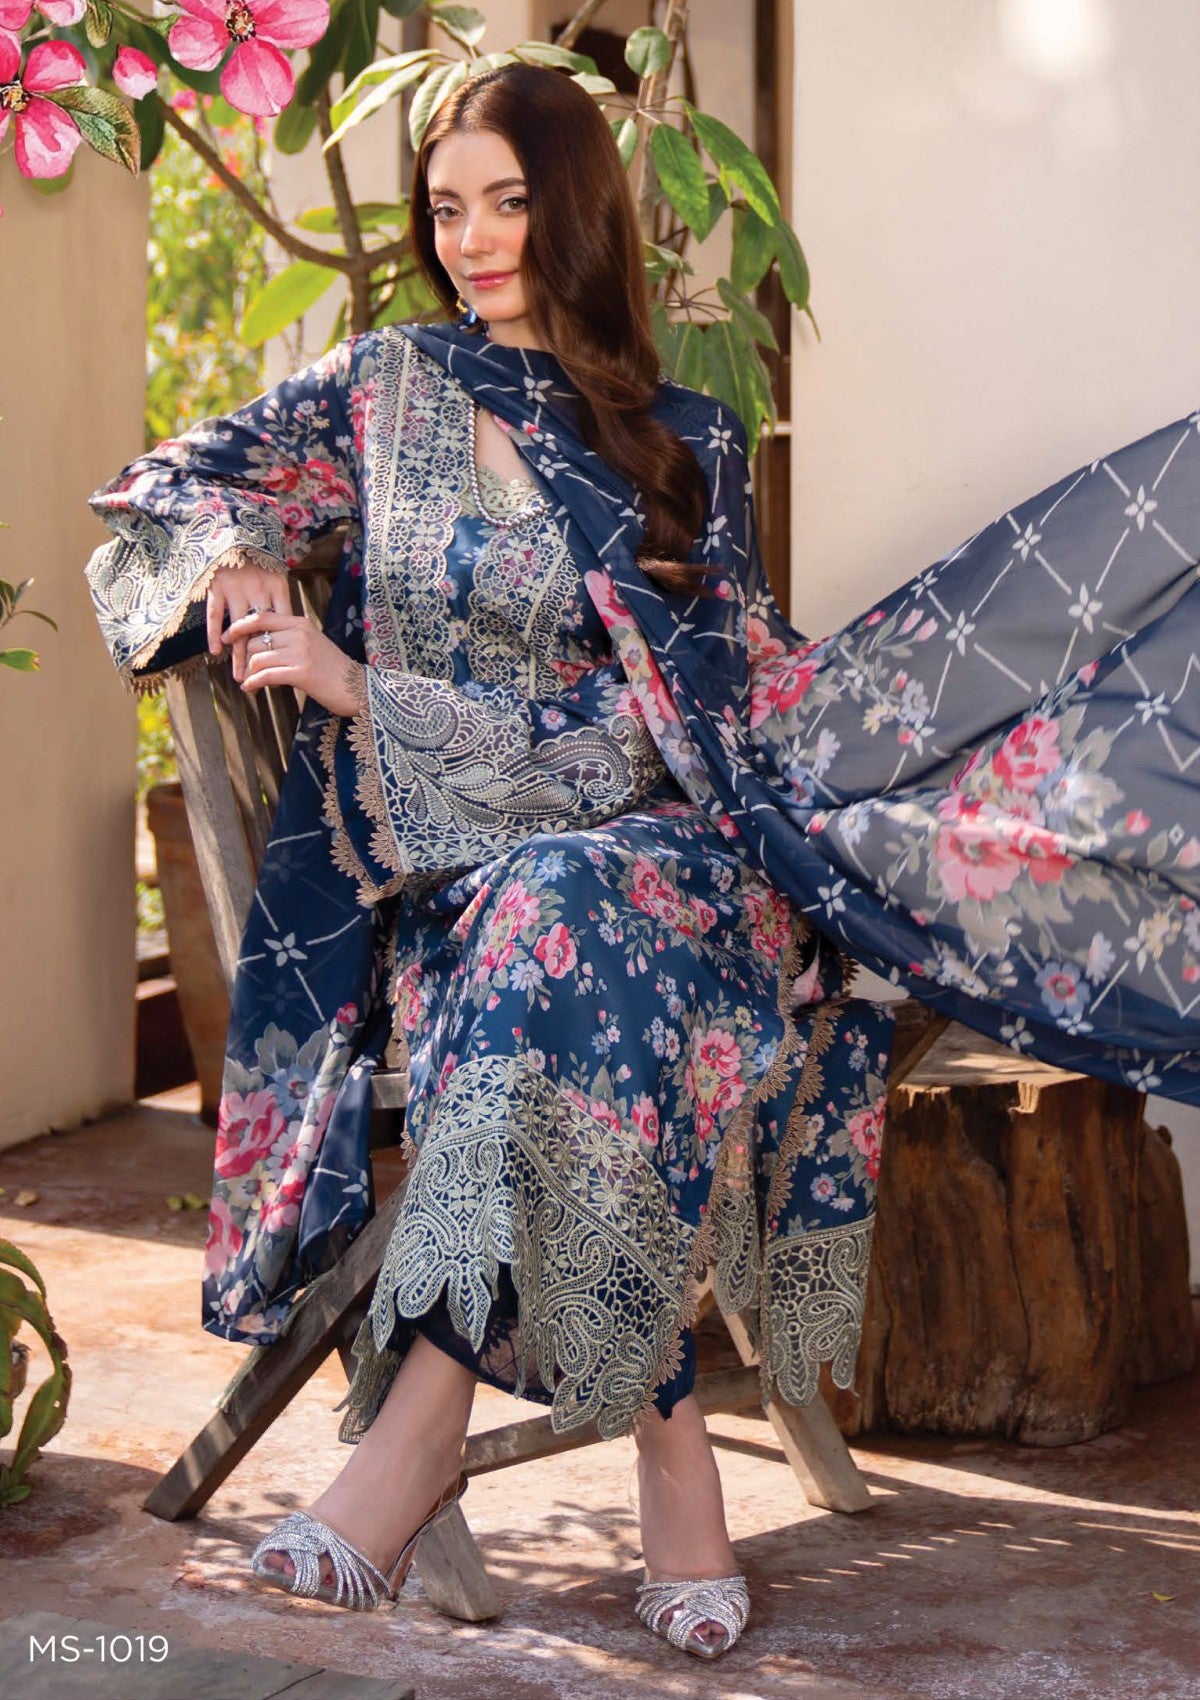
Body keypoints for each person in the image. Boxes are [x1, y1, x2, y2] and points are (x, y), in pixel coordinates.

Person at [85, 63, 1199, 1664]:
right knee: (568, 922)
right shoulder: (382, 391)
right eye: (447, 208)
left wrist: (364, 688)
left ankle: (411, 1444)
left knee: (600, 896)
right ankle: (676, 1454)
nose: (473, 240)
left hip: (693, 857)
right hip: (462, 891)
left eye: (509, 203)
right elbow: (162, 494)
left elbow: (672, 726)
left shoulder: (688, 439)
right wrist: (244, 550)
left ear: (580, 211)